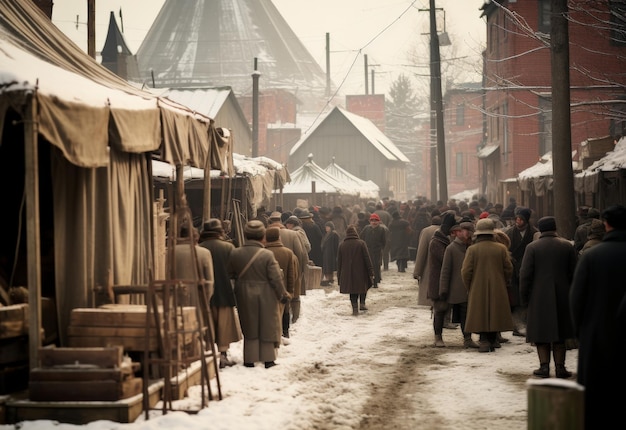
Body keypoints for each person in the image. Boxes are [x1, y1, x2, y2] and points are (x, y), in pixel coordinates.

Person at [570, 205, 626, 428]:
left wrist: (580, 332)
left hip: (597, 334)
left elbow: (576, 299)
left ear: (607, 224)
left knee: (597, 398)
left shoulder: (591, 256)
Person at [227, 220, 291, 369]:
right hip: (266, 293)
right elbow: (276, 277)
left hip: (243, 293)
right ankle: (268, 359)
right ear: (263, 236)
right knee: (267, 324)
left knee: (249, 325)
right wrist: (282, 293)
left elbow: (229, 274)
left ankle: (249, 359)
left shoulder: (235, 253)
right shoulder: (267, 255)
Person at [519, 216, 577, 378]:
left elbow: (525, 275)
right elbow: (574, 273)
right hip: (563, 295)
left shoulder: (532, 248)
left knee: (541, 333)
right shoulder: (566, 246)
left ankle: (544, 367)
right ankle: (560, 367)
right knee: (560, 334)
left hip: (538, 296)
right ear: (554, 228)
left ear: (541, 229)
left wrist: (525, 298)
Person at [462, 218, 514, 352]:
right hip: (498, 285)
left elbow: (466, 271)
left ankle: (484, 340)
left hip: (477, 286)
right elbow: (508, 268)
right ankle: (493, 339)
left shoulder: (472, 249)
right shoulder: (501, 248)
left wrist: (469, 286)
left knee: (480, 312)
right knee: (495, 311)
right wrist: (504, 280)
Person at [198, 219, 242, 369]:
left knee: (207, 325)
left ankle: (208, 357)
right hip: (224, 291)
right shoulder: (228, 247)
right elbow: (236, 271)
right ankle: (223, 355)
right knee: (224, 326)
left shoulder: (199, 248)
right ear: (220, 232)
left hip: (204, 294)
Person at [439, 221, 478, 349]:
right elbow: (445, 270)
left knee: (466, 314)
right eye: (463, 230)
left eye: (469, 231)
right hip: (455, 288)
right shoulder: (451, 248)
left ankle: (467, 338)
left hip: (471, 287)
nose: (466, 233)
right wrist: (443, 289)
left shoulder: (473, 247)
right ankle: (438, 336)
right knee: (442, 311)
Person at [268, 212, 308, 322]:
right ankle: (295, 319)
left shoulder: (267, 234)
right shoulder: (293, 234)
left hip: (271, 270)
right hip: (291, 267)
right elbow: (300, 252)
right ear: (281, 221)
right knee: (294, 294)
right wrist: (299, 270)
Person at [505, 207, 537, 336]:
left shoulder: (533, 233)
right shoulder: (509, 233)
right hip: (513, 269)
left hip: (528, 268)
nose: (518, 221)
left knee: (527, 297)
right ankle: (515, 326)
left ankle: (527, 324)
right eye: (516, 219)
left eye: (520, 219)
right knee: (514, 299)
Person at [428, 211, 458, 347]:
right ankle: (438, 337)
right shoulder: (436, 242)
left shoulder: (444, 240)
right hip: (438, 281)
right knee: (439, 310)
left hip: (448, 280)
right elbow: (445, 260)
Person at [264, 227, 299, 342]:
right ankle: (285, 332)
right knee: (285, 311)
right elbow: (291, 275)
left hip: (266, 290)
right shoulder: (288, 253)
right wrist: (290, 291)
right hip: (283, 289)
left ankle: (271, 335)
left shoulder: (263, 252)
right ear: (279, 237)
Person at [337, 225, 375, 315]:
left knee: (352, 291)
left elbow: (339, 262)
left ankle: (355, 309)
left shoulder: (342, 245)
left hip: (347, 272)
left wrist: (339, 276)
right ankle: (362, 303)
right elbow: (367, 258)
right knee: (362, 287)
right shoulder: (361, 243)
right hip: (361, 271)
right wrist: (371, 271)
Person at [412, 214, 440, 307]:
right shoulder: (446, 231)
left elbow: (421, 252)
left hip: (428, 266)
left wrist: (417, 272)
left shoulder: (426, 231)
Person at [360, 213, 389, 288]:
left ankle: (375, 281)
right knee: (367, 266)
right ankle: (368, 281)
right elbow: (361, 237)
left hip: (377, 251)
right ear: (370, 221)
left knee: (376, 266)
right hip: (368, 250)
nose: (374, 222)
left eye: (375, 220)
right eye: (372, 220)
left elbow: (384, 241)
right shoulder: (366, 229)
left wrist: (380, 248)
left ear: (378, 221)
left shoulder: (381, 229)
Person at [320, 221, 339, 285]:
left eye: (328, 227)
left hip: (331, 253)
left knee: (329, 267)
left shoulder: (334, 234)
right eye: (326, 227)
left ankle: (330, 279)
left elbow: (336, 245)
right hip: (326, 253)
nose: (326, 228)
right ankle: (328, 279)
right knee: (326, 266)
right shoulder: (326, 235)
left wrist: (335, 253)